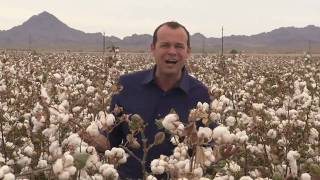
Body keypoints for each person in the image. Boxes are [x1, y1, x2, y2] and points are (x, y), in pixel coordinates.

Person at [96, 21, 211, 179]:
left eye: (179, 46)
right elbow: (111, 139)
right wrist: (88, 141)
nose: (172, 52)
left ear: (188, 51)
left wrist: (218, 155)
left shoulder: (199, 93)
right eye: (165, 45)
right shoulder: (126, 85)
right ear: (153, 49)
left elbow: (204, 147)